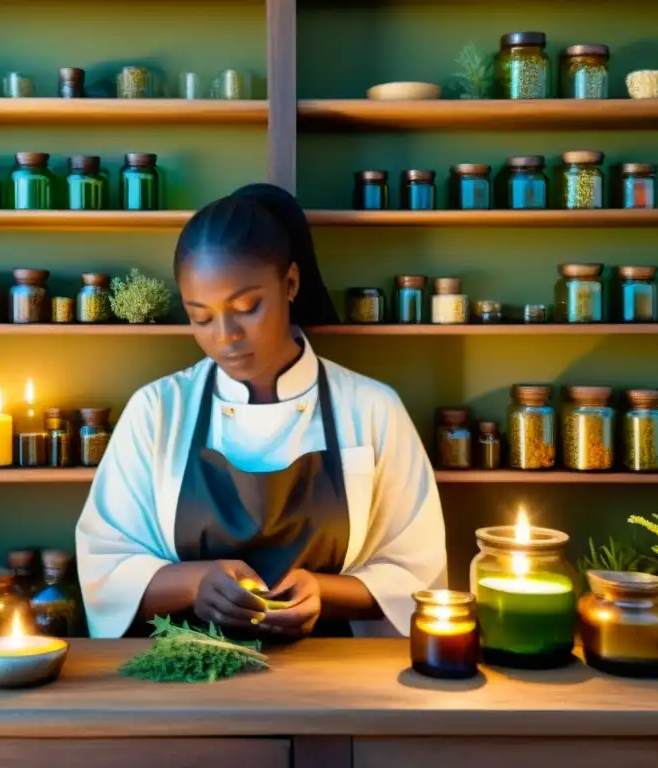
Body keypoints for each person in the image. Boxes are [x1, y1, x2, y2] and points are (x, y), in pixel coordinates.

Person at [76, 183, 446, 639]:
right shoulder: (156, 412)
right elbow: (104, 566)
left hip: (336, 679)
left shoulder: (372, 409)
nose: (226, 336)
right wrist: (196, 584)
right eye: (201, 317)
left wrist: (324, 592)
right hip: (186, 677)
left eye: (247, 308)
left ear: (290, 284)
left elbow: (417, 572)